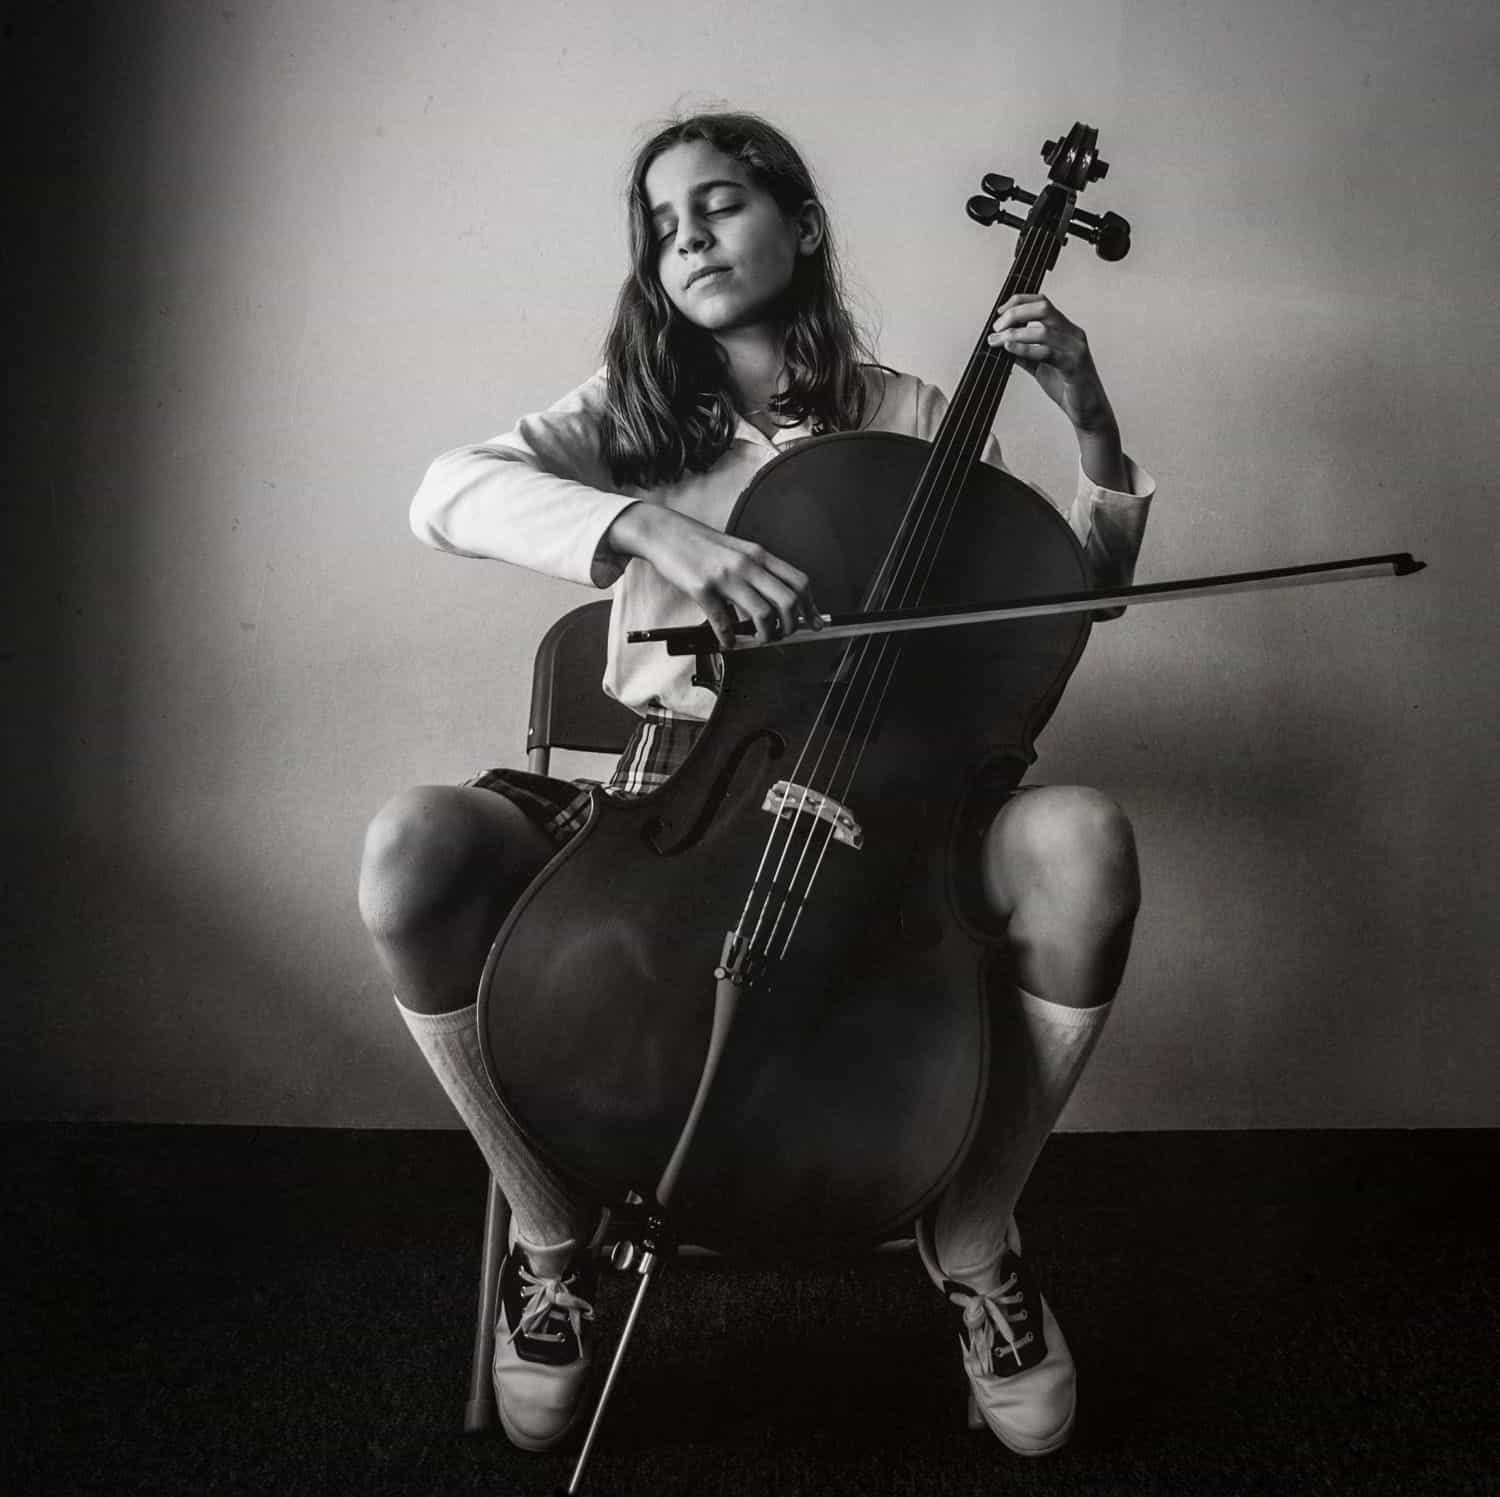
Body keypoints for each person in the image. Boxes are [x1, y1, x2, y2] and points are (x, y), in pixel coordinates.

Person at [358, 109, 1153, 1458]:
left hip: (883, 816)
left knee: (1083, 840)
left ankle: (975, 1235)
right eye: (663, 228)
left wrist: (1088, 424)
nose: (688, 238)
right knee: (410, 848)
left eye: (718, 204)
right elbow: (444, 492)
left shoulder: (914, 415)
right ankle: (554, 1240)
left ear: (803, 224)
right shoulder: (628, 419)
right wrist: (646, 522)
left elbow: (1059, 612)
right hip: (671, 796)